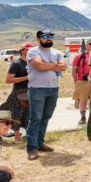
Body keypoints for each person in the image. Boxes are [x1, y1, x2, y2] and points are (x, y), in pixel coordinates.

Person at [25, 29, 65, 160]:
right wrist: (54, 65)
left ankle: (40, 143)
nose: (48, 38)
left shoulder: (57, 52)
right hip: (37, 89)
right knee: (35, 119)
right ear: (38, 39)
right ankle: (31, 148)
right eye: (45, 36)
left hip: (53, 89)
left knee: (46, 117)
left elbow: (63, 67)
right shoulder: (33, 51)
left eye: (50, 36)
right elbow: (39, 66)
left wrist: (46, 65)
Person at [0, 43, 32, 143]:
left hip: (30, 92)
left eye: (31, 49)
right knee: (16, 114)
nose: (30, 51)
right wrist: (26, 78)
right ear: (22, 50)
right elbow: (8, 80)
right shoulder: (16, 63)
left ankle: (24, 135)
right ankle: (16, 137)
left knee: (27, 115)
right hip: (18, 92)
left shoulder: (32, 63)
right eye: (28, 49)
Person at [72, 38, 91, 125]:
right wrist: (76, 81)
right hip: (83, 81)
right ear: (86, 45)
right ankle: (83, 117)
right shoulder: (79, 56)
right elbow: (74, 69)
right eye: (90, 44)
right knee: (83, 100)